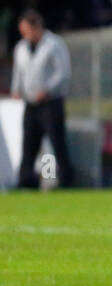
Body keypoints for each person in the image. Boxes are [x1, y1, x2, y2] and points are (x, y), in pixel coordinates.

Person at [10, 10, 74, 188]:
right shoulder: (21, 47)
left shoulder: (54, 44)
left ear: (36, 27)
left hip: (50, 103)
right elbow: (18, 72)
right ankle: (26, 180)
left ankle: (65, 180)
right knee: (29, 143)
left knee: (56, 142)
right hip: (30, 102)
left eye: (26, 30)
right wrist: (16, 89)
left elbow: (63, 72)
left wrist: (47, 90)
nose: (24, 34)